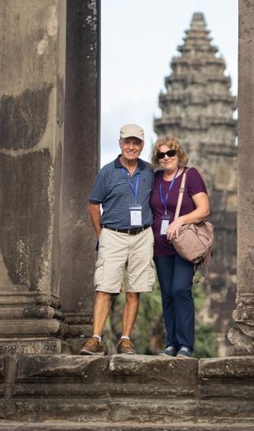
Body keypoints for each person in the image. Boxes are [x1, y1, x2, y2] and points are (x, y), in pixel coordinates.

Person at [79, 124, 155, 355]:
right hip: (113, 233)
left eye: (136, 143)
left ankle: (125, 339)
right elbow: (93, 204)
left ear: (142, 146)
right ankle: (95, 338)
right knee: (105, 287)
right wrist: (102, 235)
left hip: (142, 234)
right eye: (127, 142)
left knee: (134, 290)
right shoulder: (107, 172)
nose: (131, 147)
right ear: (121, 143)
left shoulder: (149, 171)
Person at [149, 136, 210, 358]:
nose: (166, 158)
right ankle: (172, 342)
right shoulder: (155, 179)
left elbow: (204, 209)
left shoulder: (190, 175)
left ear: (178, 154)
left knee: (179, 289)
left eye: (170, 153)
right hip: (160, 245)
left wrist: (180, 220)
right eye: (160, 155)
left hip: (184, 245)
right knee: (166, 294)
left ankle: (185, 344)